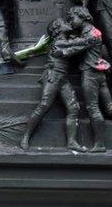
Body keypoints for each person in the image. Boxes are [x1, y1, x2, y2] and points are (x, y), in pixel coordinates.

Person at [54, 6, 112, 152]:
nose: (71, 22)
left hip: (90, 75)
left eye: (72, 18)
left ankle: (100, 144)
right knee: (110, 109)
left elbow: (78, 47)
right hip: (99, 75)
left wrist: (62, 51)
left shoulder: (91, 34)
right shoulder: (90, 32)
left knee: (93, 108)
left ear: (82, 16)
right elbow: (80, 42)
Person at [20, 16, 85, 152]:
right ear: (57, 30)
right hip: (53, 77)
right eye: (64, 23)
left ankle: (72, 142)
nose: (68, 23)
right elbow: (77, 47)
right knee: (44, 105)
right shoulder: (60, 42)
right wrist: (91, 39)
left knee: (73, 108)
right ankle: (25, 137)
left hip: (63, 79)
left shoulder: (66, 40)